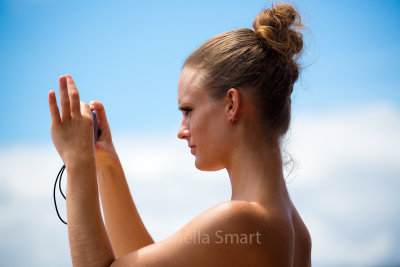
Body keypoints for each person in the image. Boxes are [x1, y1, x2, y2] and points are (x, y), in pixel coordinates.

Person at [48, 3, 312, 266]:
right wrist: (107, 166)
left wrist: (77, 162)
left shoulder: (240, 222)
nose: (181, 131)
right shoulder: (296, 233)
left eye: (188, 110)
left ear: (231, 105)